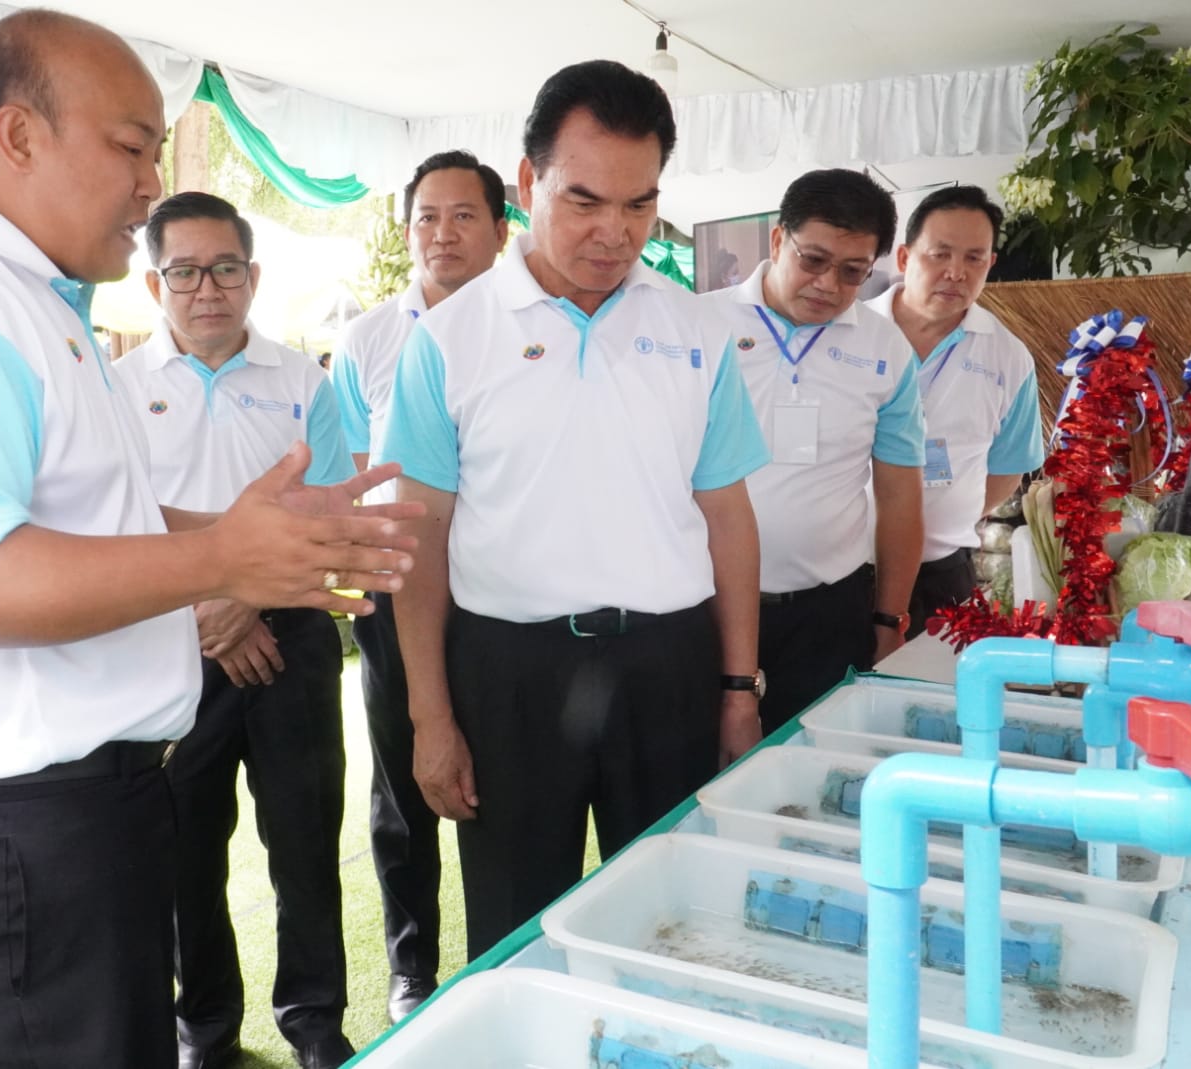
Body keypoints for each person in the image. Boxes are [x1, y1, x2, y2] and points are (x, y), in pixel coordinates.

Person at [0, 11, 420, 1067]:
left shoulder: (27, 299)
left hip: (73, 817)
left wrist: (252, 529)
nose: (150, 187)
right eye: (132, 148)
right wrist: (220, 559)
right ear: (19, 136)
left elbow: (87, 518)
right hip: (11, 837)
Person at [379, 60, 769, 959]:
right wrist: (432, 717)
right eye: (584, 200)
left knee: (675, 921)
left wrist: (738, 687)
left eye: (640, 204)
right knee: (516, 931)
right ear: (529, 183)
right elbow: (420, 539)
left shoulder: (699, 332)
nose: (615, 232)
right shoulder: (449, 340)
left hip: (667, 667)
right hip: (510, 674)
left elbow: (729, 519)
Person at [113, 192, 357, 1069]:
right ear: (154, 284)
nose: (206, 288)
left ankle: (315, 1020)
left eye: (224, 269)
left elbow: (333, 517)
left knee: (304, 838)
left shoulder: (303, 381)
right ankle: (205, 1025)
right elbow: (113, 526)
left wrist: (244, 598)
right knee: (185, 848)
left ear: (252, 276)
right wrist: (209, 609)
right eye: (184, 271)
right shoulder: (116, 389)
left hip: (291, 633)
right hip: (173, 642)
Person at [330, 149, 507, 1021]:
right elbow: (353, 476)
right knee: (404, 785)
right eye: (426, 217)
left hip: (498, 600)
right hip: (397, 595)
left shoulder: (522, 329)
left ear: (500, 229)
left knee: (500, 782)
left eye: (463, 215)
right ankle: (412, 965)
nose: (443, 233)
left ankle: (500, 957)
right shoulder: (366, 341)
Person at [705, 168, 925, 735]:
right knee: (707, 765)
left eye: (853, 271)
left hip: (828, 613)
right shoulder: (700, 325)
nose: (828, 284)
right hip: (706, 606)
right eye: (814, 260)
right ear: (779, 239)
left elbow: (900, 494)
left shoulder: (886, 349)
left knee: (823, 762)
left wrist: (890, 619)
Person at [865, 185, 1044, 634]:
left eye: (973, 258)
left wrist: (949, 514)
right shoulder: (851, 332)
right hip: (846, 573)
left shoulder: (1008, 357)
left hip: (943, 572)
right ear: (904, 257)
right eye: (940, 254)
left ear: (990, 265)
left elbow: (1008, 467)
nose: (956, 272)